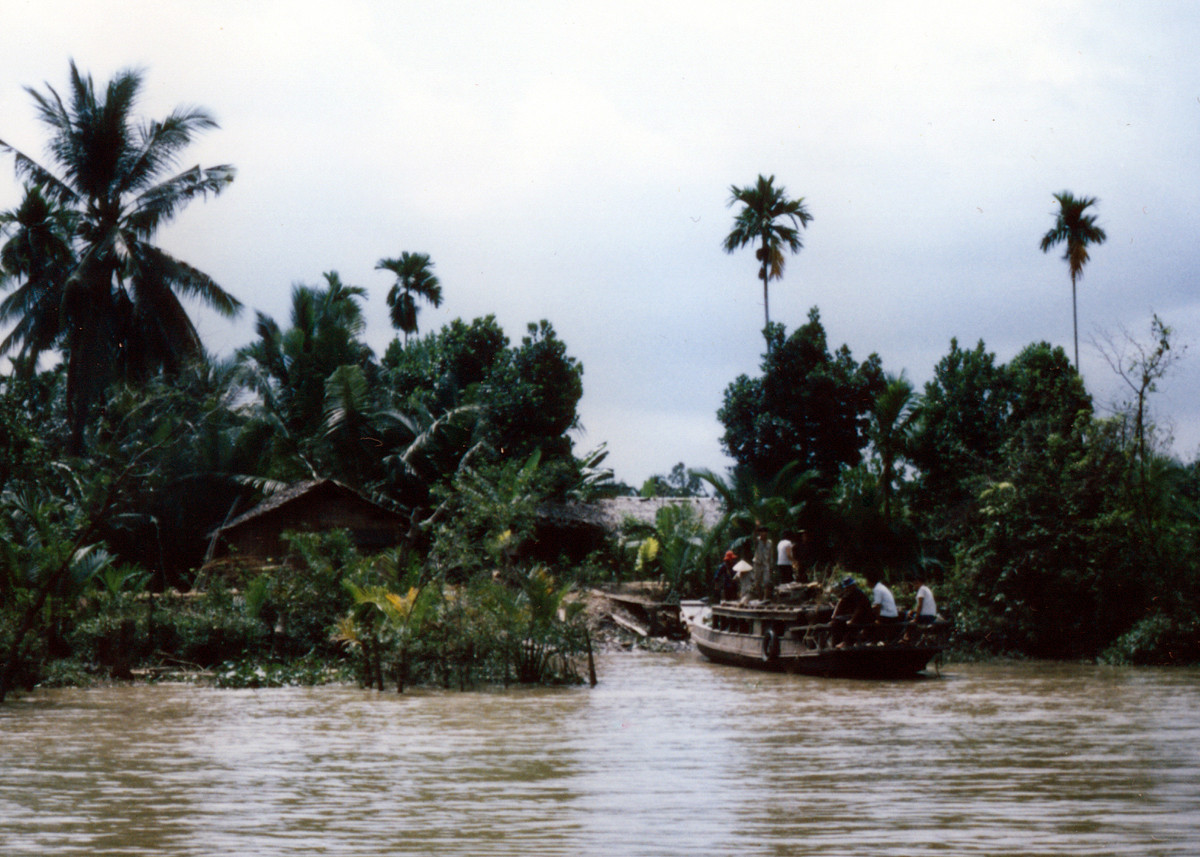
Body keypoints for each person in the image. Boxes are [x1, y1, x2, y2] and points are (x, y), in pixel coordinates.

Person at [830, 576, 872, 646]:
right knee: (836, 621)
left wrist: (852, 620)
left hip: (865, 616)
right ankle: (836, 643)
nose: (847, 589)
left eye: (848, 587)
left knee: (848, 624)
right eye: (846, 587)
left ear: (853, 585)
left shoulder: (858, 594)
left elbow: (859, 609)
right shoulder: (849, 593)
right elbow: (841, 602)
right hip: (857, 615)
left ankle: (846, 642)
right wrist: (834, 615)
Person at [751, 525, 774, 601]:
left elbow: (770, 555)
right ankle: (760, 597)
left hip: (765, 564)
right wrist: (756, 528)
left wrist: (771, 566)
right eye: (761, 532)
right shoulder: (757, 541)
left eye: (764, 532)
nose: (763, 534)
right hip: (757, 563)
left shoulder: (769, 543)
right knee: (757, 582)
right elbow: (753, 537)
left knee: (766, 582)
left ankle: (765, 598)